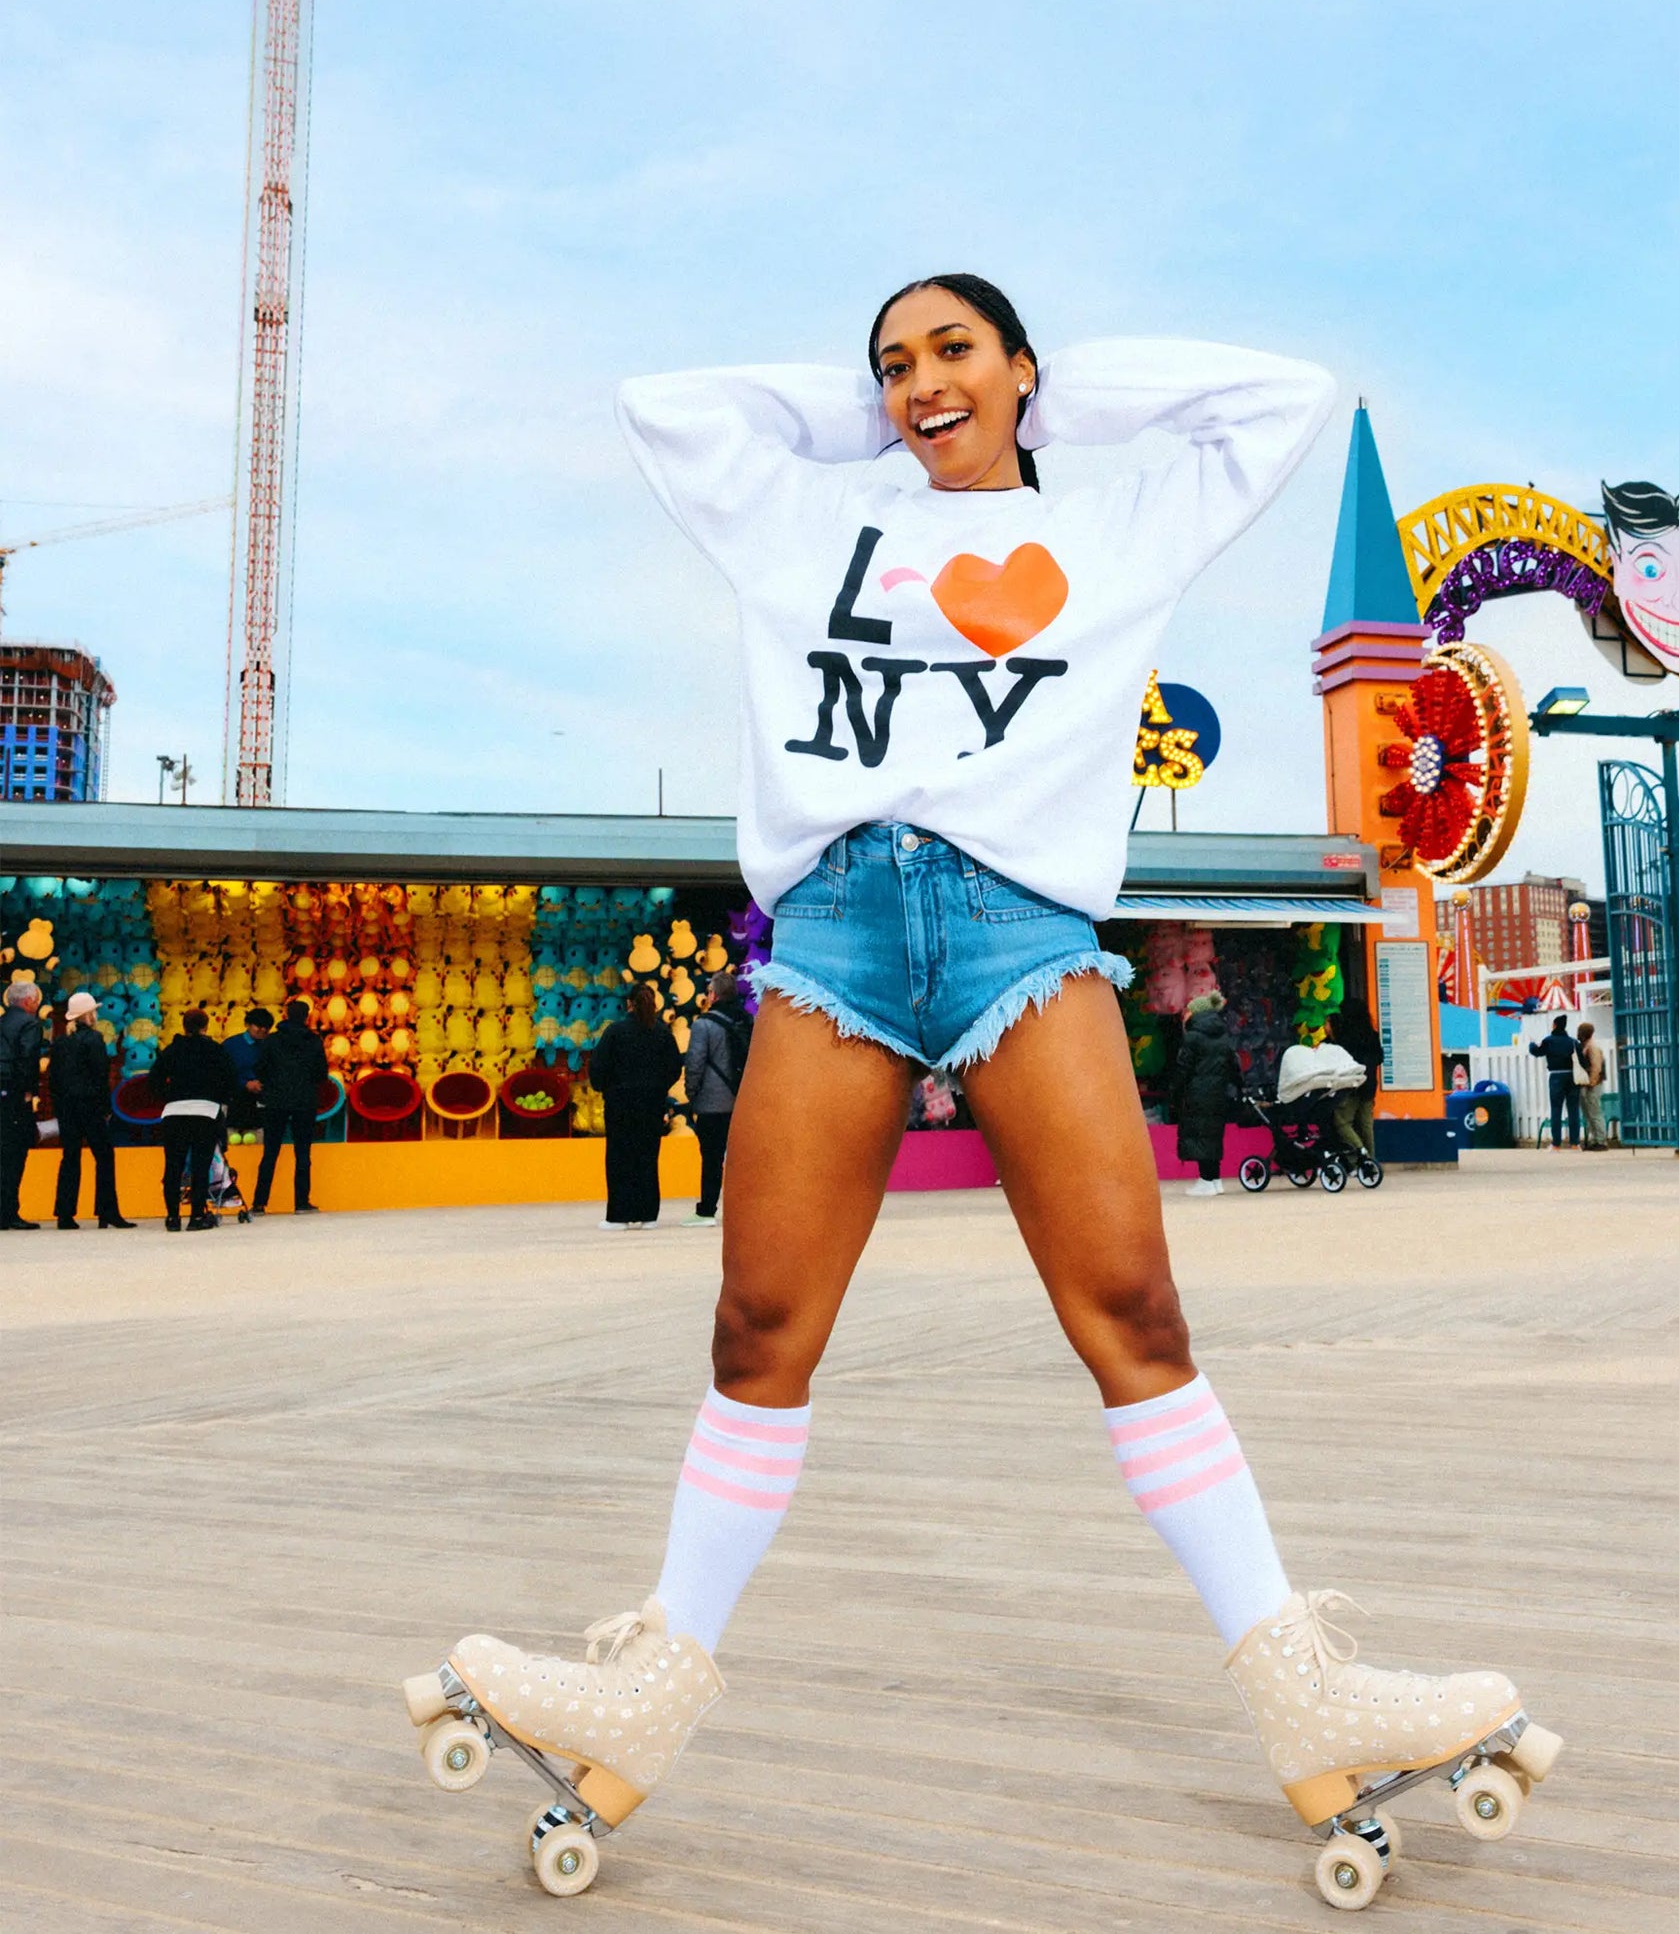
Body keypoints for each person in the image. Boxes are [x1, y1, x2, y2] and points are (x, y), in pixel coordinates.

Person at [406, 275, 1557, 1896]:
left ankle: (1302, 1686)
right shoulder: (807, 526)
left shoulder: (1114, 531)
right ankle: (649, 1687)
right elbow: (673, 407)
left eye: (952, 350)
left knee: (1132, 1314)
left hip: (1020, 929)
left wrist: (1046, 402)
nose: (915, 382)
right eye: (892, 363)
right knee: (758, 1328)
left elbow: (1276, 400)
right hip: (840, 934)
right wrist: (877, 413)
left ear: (1022, 363)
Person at [589, 983, 683, 1227]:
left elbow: (598, 1068)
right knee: (647, 1157)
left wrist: (608, 1088)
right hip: (651, 1105)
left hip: (620, 1105)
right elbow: (674, 1068)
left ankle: (619, 1215)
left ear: (629, 1004)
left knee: (619, 1158)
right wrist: (657, 1088)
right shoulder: (662, 1033)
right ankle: (648, 1214)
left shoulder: (615, 1032)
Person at [50, 992, 132, 1229]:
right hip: (90, 1106)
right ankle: (107, 1211)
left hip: (67, 1107)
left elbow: (54, 1079)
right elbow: (100, 1076)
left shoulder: (61, 1042)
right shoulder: (94, 1039)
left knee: (71, 1157)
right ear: (88, 1014)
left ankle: (65, 1214)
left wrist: (59, 1105)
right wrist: (106, 1108)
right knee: (104, 1156)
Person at [151, 1009, 237, 1231]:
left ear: (183, 1026)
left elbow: (154, 1079)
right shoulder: (215, 1050)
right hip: (205, 1112)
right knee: (201, 1166)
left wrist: (169, 1096)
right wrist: (218, 1099)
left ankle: (172, 1217)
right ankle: (197, 1216)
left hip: (174, 1112)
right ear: (205, 1027)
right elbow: (230, 1079)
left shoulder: (172, 1050)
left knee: (173, 1167)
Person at [684, 971, 751, 1224]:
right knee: (740, 1159)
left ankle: (707, 1210)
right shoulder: (746, 1020)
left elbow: (695, 1063)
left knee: (711, 1159)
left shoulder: (704, 1025)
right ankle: (743, 1211)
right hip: (742, 1101)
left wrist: (692, 1094)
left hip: (713, 1104)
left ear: (713, 994)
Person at [252, 998, 328, 1214]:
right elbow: (321, 1072)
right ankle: (301, 1202)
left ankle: (259, 1202)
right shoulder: (313, 1041)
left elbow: (260, 1068)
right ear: (306, 1017)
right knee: (303, 1153)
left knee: (270, 1152)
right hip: (304, 1101)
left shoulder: (272, 1040)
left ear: (285, 1015)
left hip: (275, 1101)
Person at [1173, 990, 1239, 1196]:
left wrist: (1174, 1091)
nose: (1184, 1016)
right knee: (1213, 1135)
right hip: (1218, 1094)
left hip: (1197, 1094)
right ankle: (1215, 1179)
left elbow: (1183, 1068)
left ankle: (1205, 1180)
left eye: (1187, 1012)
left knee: (1201, 1135)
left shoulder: (1193, 1038)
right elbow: (1234, 1065)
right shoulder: (1223, 1037)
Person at [0, 979, 47, 1230]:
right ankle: (9, 1211)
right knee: (16, 1152)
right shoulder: (30, 1023)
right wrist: (28, 1092)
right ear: (29, 1001)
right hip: (15, 1093)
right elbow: (28, 1058)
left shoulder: (1, 1021)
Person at [1327, 1000, 1385, 1162]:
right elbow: (1380, 1058)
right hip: (1369, 1086)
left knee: (1342, 1122)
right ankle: (1371, 1161)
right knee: (1366, 1124)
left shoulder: (1345, 1038)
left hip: (1351, 1086)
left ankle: (1357, 1156)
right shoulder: (1372, 1035)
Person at [1528, 1013, 1581, 1149]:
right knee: (1573, 1109)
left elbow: (1537, 1052)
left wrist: (1532, 1044)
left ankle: (1556, 1143)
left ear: (1555, 1025)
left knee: (1556, 1109)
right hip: (1572, 1077)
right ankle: (1575, 1143)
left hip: (1556, 1076)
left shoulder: (1549, 1041)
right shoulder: (1573, 1042)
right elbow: (1582, 1060)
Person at [223, 1007, 275, 1141]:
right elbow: (222, 1072)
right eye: (258, 1026)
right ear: (248, 1025)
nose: (263, 1030)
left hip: (261, 1103)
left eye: (266, 1027)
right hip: (234, 1102)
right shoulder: (231, 1045)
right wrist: (244, 1084)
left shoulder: (271, 1045)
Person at [1573, 1021, 1607, 1151]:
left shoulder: (1592, 1048)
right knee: (1589, 1113)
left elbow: (1596, 1067)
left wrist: (1592, 1082)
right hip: (1588, 1084)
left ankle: (1601, 1140)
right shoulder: (1586, 1046)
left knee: (1594, 1113)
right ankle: (1595, 1139)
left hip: (1592, 1085)